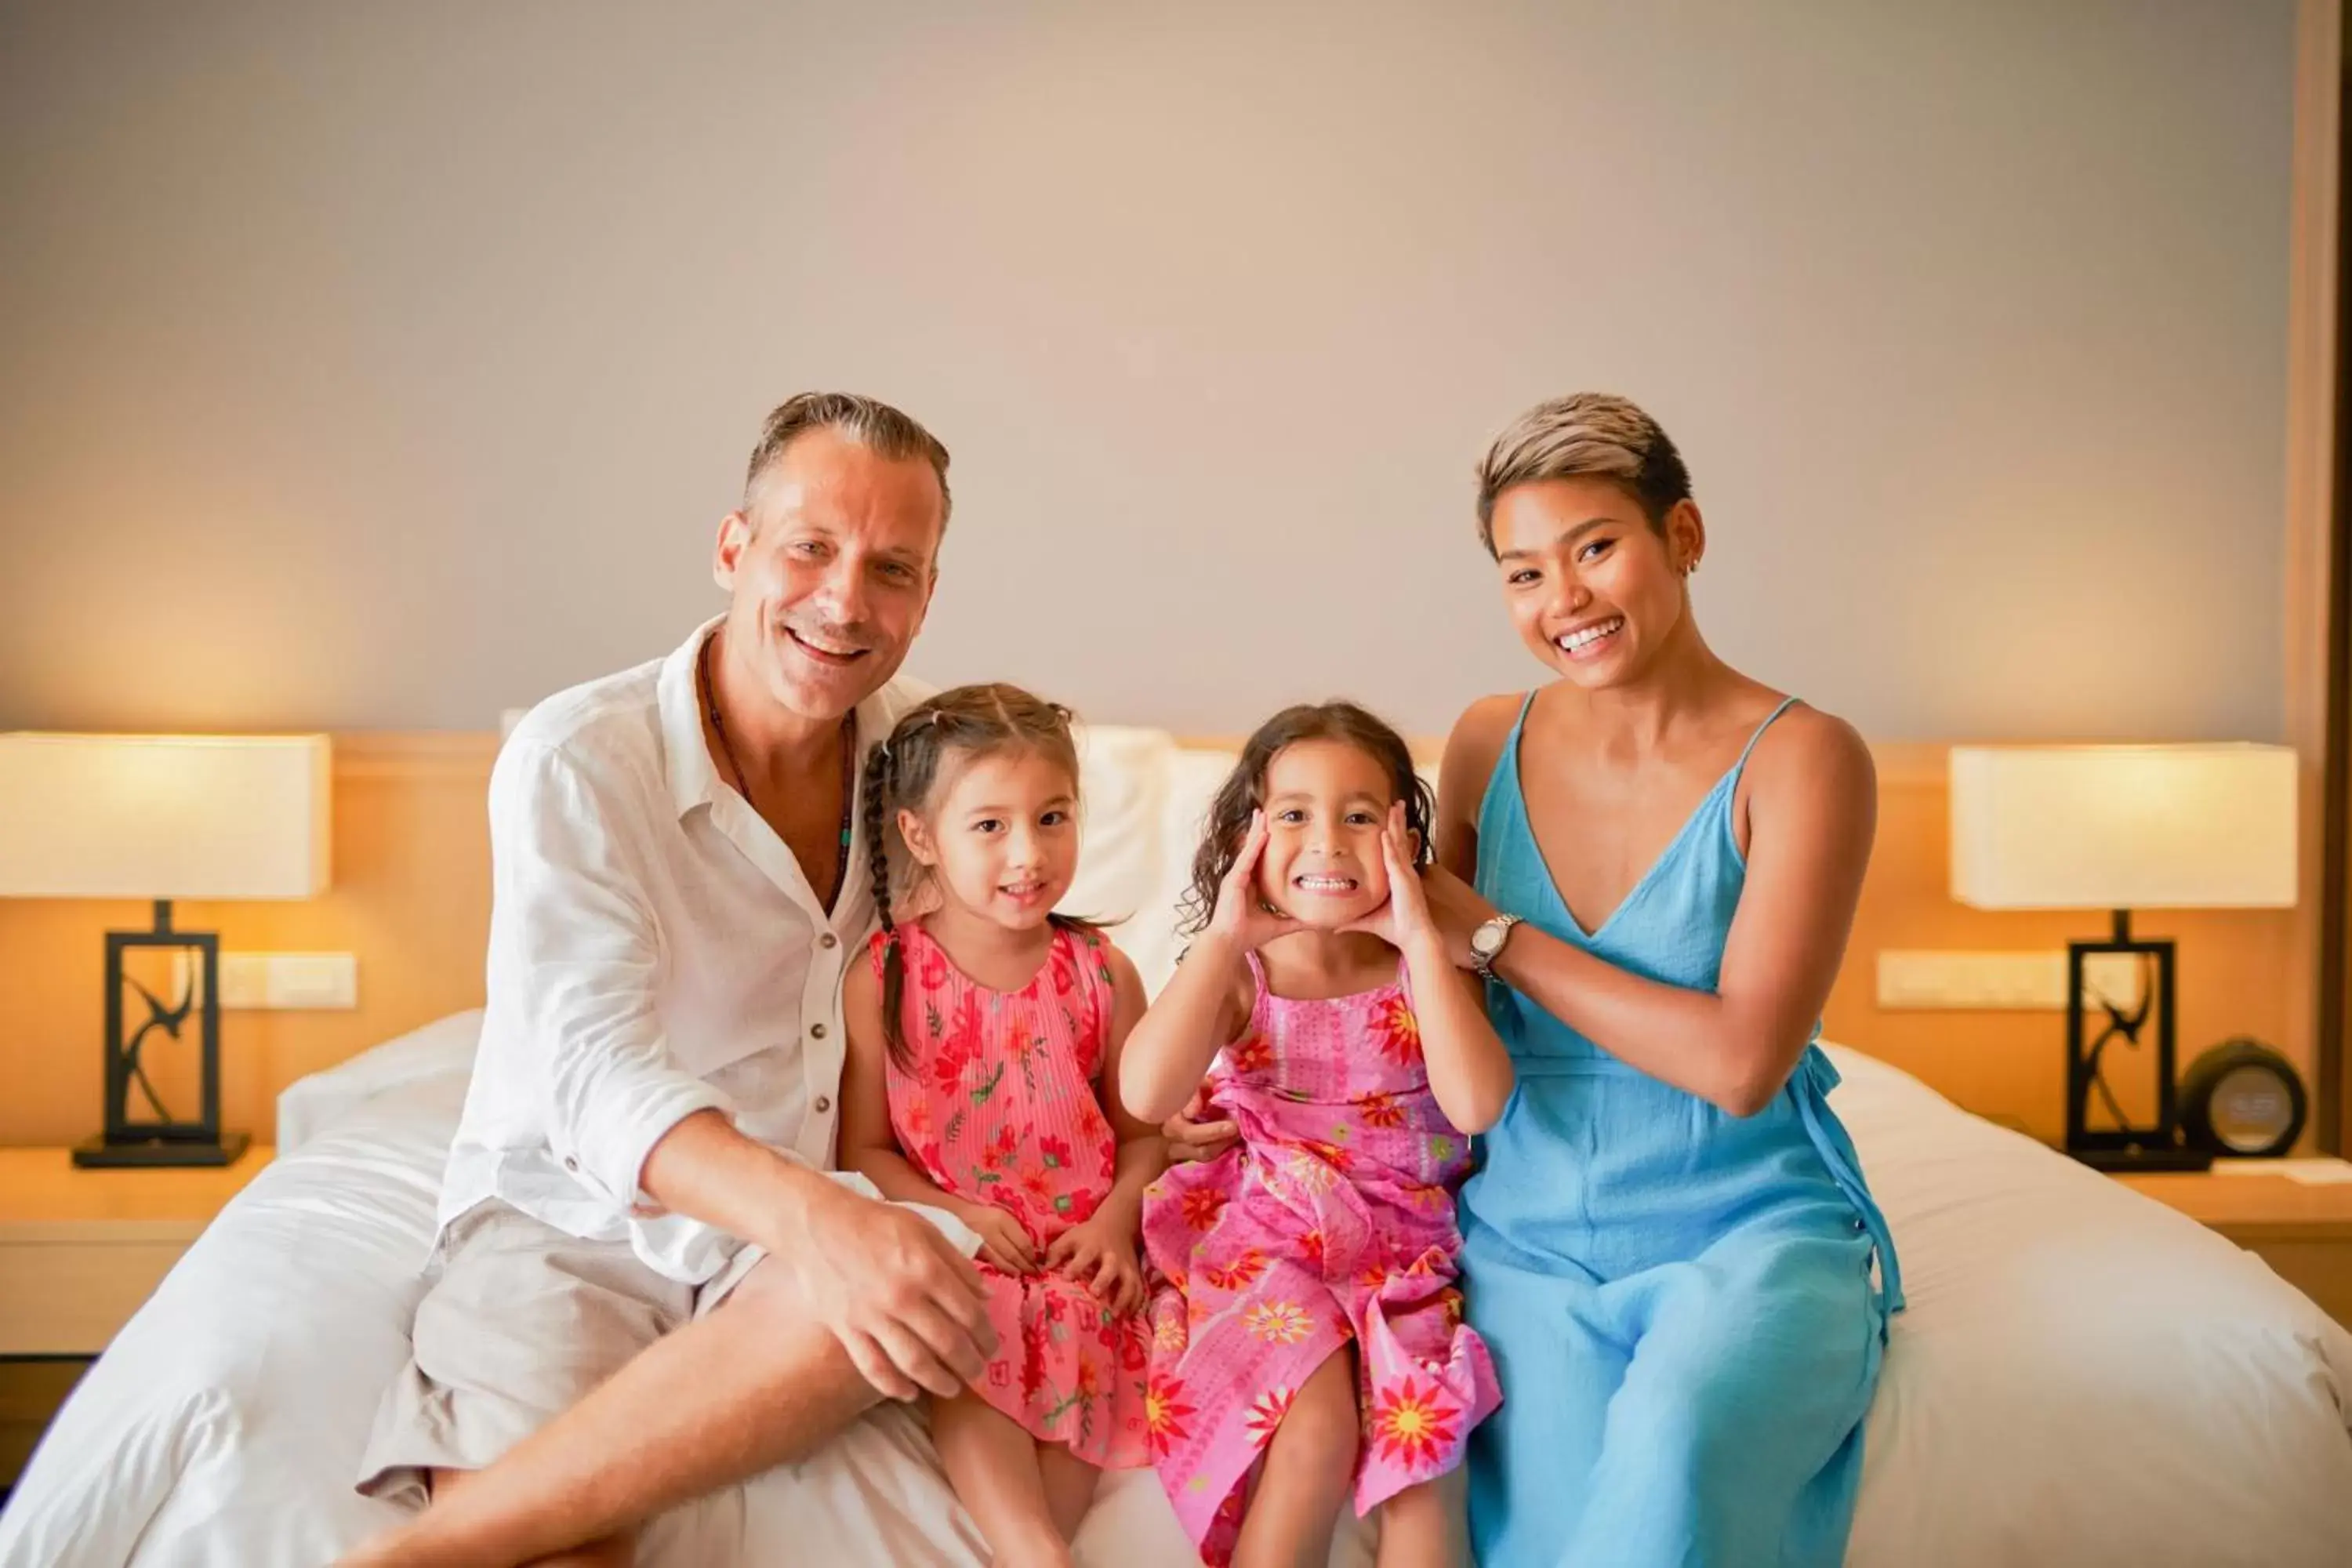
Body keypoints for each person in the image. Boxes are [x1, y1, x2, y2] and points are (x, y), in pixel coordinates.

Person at [343, 392, 1002, 1568]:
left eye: (891, 569)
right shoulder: (577, 758)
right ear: (732, 547)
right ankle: (441, 1548)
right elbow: (593, 1075)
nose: (846, 601)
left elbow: (1006, 988)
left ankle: (443, 1546)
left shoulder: (934, 772)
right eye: (810, 547)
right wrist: (825, 1219)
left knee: (931, 1278)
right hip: (572, 1218)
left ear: (927, 595)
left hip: (790, 1243)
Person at [1421, 392, 1904, 1566]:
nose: (1563, 602)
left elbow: (1742, 1064)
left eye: (1595, 547)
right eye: (1523, 573)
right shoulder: (1487, 739)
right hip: (1523, 1240)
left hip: (1745, 1230)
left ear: (1682, 537)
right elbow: (1420, 1006)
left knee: (1675, 1442)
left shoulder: (1804, 757)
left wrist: (1494, 936)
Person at [1122, 702, 1509, 1568]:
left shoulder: (1426, 969)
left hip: (1404, 1259)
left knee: (1423, 1451)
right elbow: (1147, 1090)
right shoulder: (1241, 970)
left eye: (1360, 815)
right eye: (1294, 813)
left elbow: (1478, 1102)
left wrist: (1419, 930)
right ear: (1246, 834)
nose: (1328, 841)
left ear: (1404, 837)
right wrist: (1222, 936)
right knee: (1317, 1426)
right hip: (1267, 1238)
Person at [837, 683, 1159, 1568]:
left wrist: (1114, 1225)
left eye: (1053, 817)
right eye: (990, 826)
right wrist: (960, 1217)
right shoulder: (887, 975)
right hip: (971, 1245)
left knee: (1083, 1322)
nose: (1029, 852)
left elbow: (1143, 1136)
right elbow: (861, 1151)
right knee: (977, 1319)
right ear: (919, 836)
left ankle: (1039, 1544)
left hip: (1081, 1250)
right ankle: (1028, 1547)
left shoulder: (1101, 972)